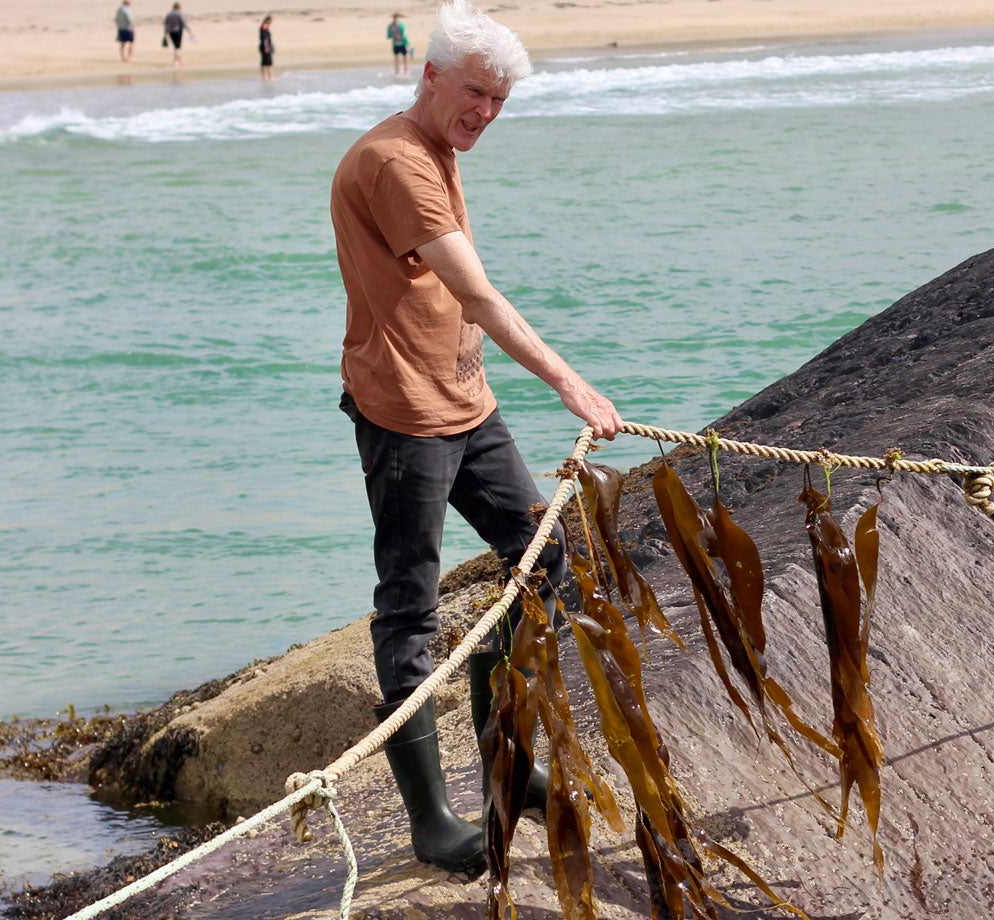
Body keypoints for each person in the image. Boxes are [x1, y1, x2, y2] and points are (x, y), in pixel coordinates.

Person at [330, 0, 621, 875]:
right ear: (430, 76)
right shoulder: (395, 163)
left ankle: (503, 756)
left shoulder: (439, 150)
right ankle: (429, 820)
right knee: (410, 610)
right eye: (474, 93)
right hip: (404, 417)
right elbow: (480, 296)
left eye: (498, 99)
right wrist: (570, 381)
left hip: (466, 403)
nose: (485, 112)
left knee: (544, 561)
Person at [164, 3, 193, 68]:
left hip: (171, 32)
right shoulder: (179, 14)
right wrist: (189, 32)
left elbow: (166, 25)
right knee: (178, 47)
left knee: (175, 47)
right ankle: (177, 62)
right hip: (178, 32)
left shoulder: (169, 14)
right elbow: (184, 23)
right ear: (178, 7)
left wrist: (165, 34)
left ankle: (176, 61)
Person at [259, 15, 275, 81]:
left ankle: (265, 77)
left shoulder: (263, 27)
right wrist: (266, 47)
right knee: (268, 62)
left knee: (264, 62)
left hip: (263, 46)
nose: (271, 22)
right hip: (265, 46)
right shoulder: (264, 27)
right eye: (270, 20)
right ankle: (270, 76)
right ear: (267, 20)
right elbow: (265, 38)